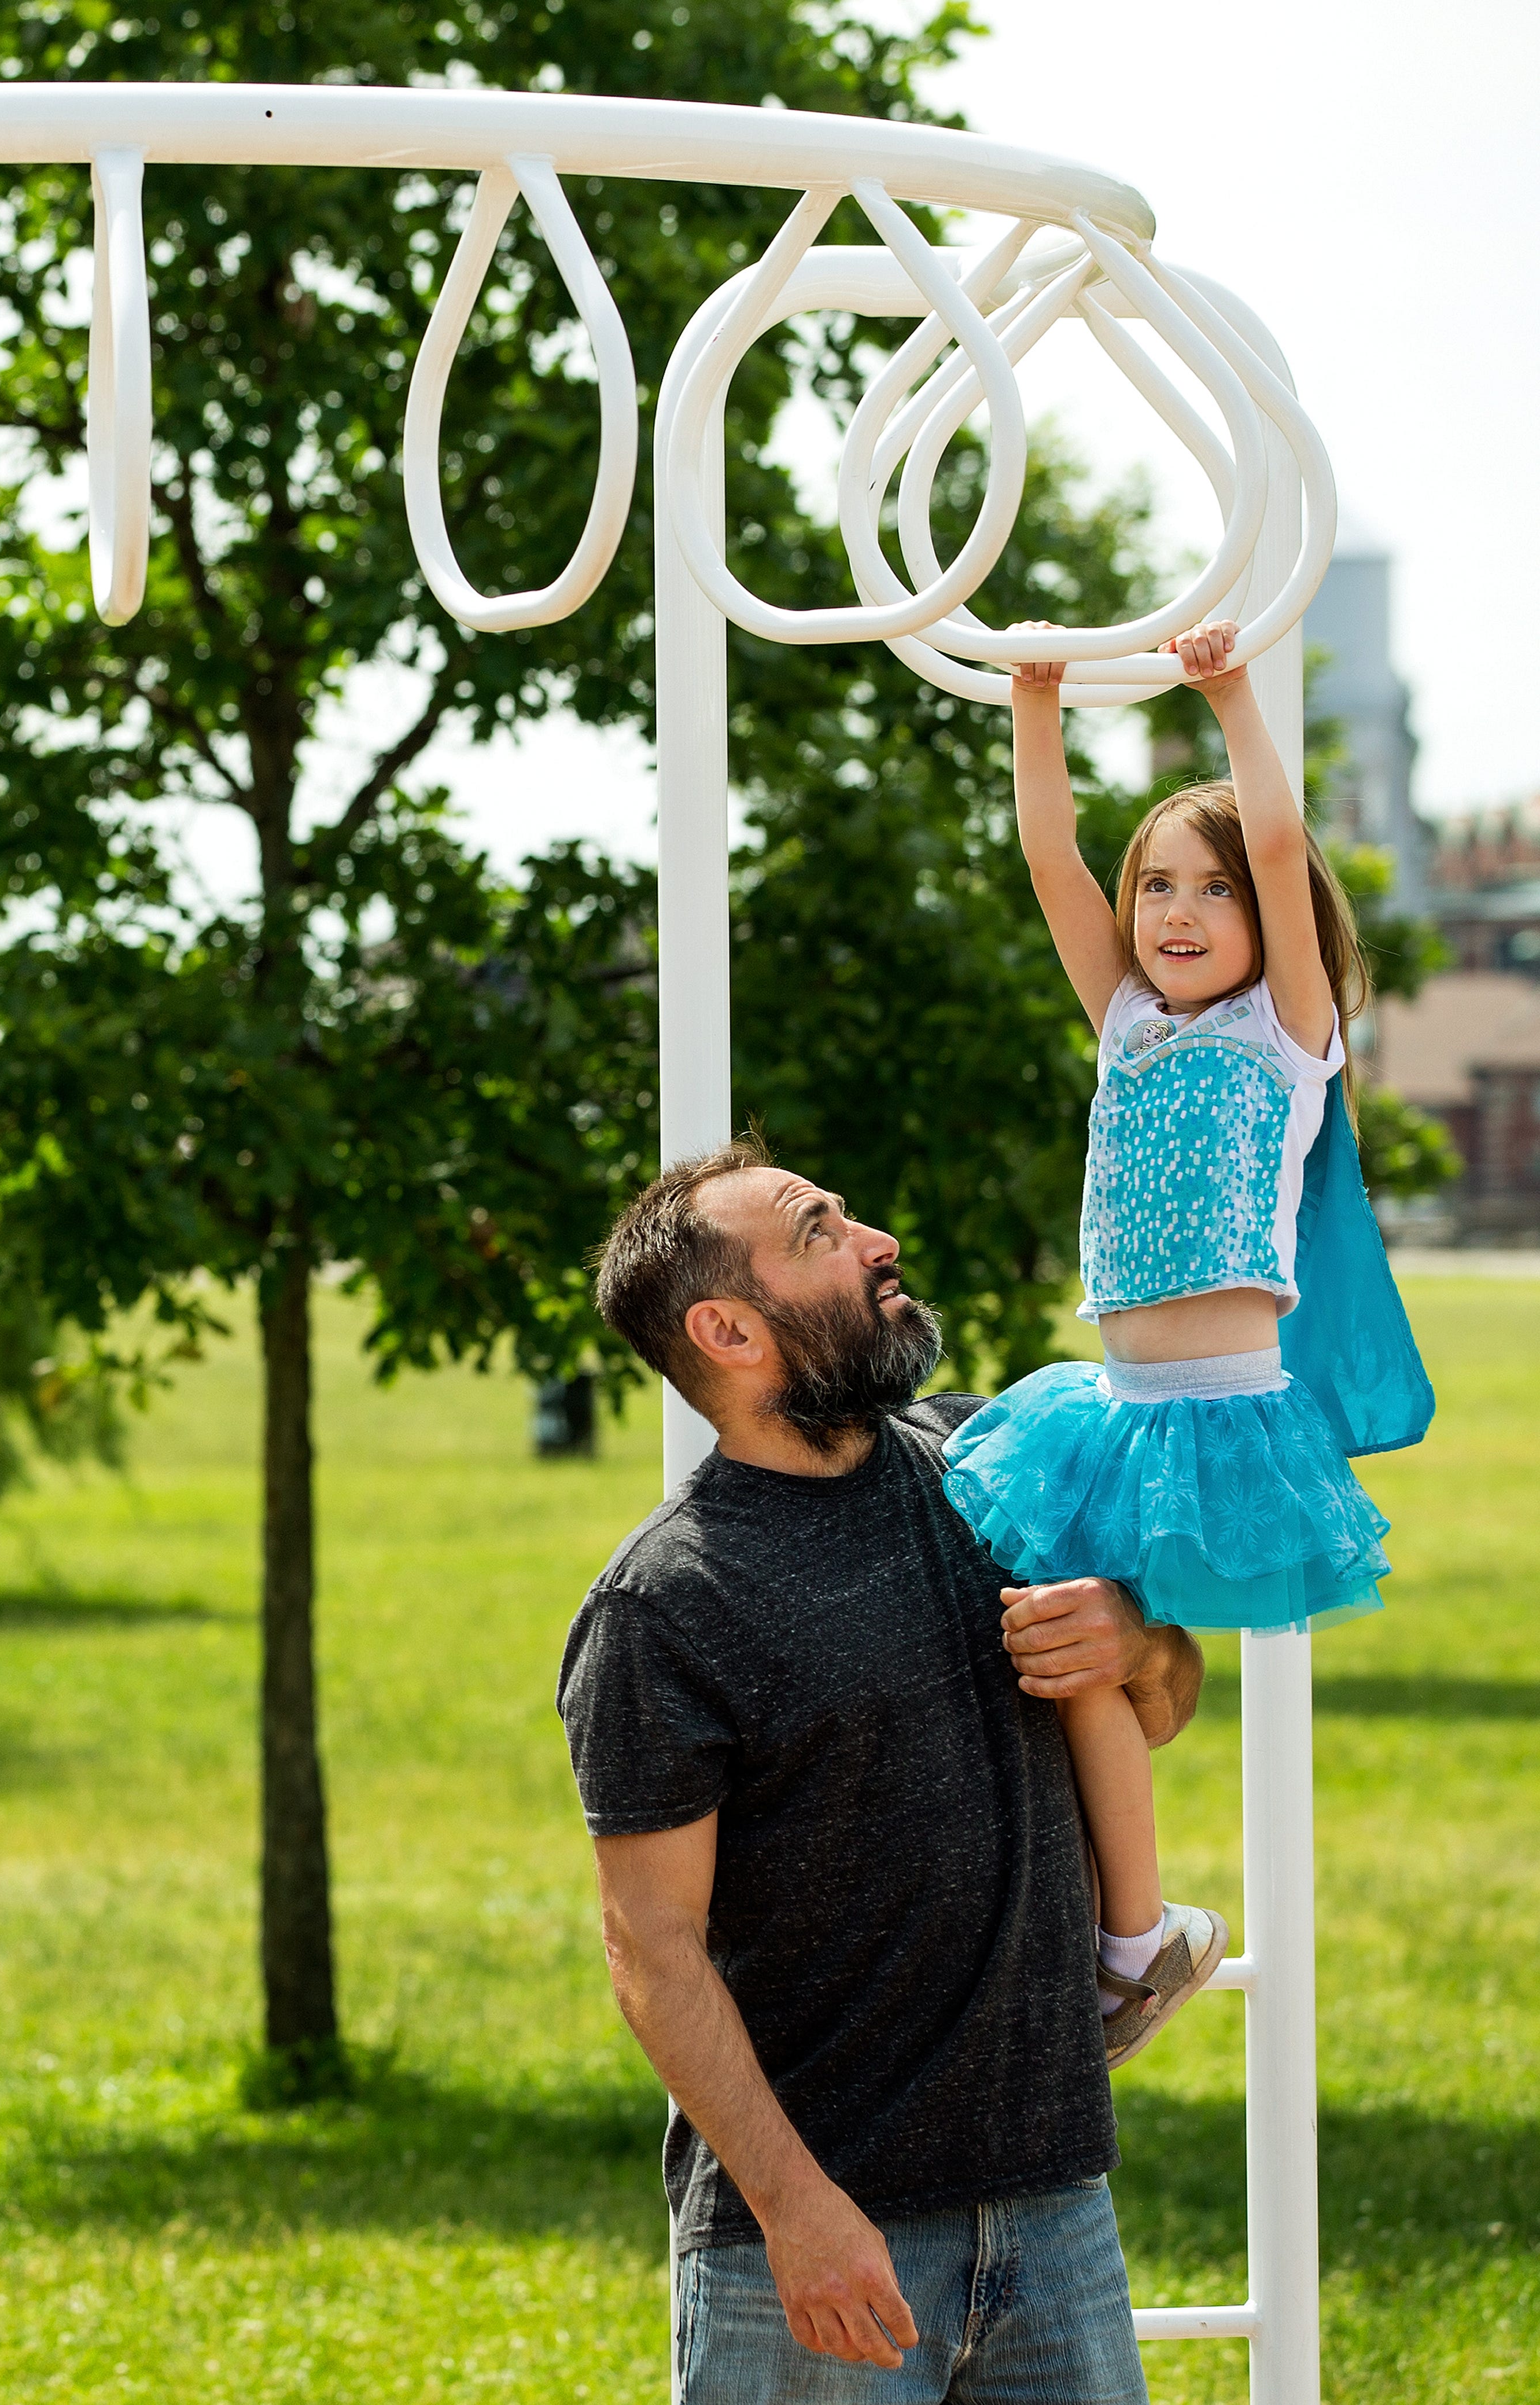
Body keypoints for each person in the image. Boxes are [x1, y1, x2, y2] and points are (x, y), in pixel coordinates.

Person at [561, 1147, 1206, 2396]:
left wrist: (1137, 1641)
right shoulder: (664, 1605)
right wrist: (797, 2211)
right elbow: (653, 1946)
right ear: (728, 1329)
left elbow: (1166, 1703)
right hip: (806, 2245)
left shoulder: (993, 1464)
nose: (876, 1240)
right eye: (820, 1231)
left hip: (1054, 2206)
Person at [942, 619, 1431, 2072]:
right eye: (1159, 881)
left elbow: (1279, 843)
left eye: (1208, 890)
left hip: (1224, 1414)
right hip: (1111, 1407)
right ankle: (1133, 1933)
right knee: (1069, 1646)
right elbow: (1049, 862)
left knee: (1098, 1636)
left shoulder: (1287, 1036)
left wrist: (1226, 696)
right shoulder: (1128, 1023)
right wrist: (1038, 708)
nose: (1177, 907)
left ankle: (1124, 1933)